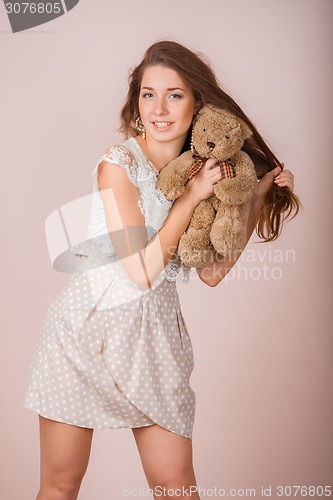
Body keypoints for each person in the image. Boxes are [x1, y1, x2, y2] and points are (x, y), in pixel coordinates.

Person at [23, 40, 299, 500]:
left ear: (197, 103)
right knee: (60, 485)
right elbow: (142, 271)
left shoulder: (205, 170)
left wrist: (256, 199)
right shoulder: (119, 166)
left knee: (176, 487)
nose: (160, 107)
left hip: (154, 342)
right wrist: (189, 198)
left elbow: (213, 273)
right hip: (85, 336)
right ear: (136, 103)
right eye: (148, 94)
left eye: (174, 94)